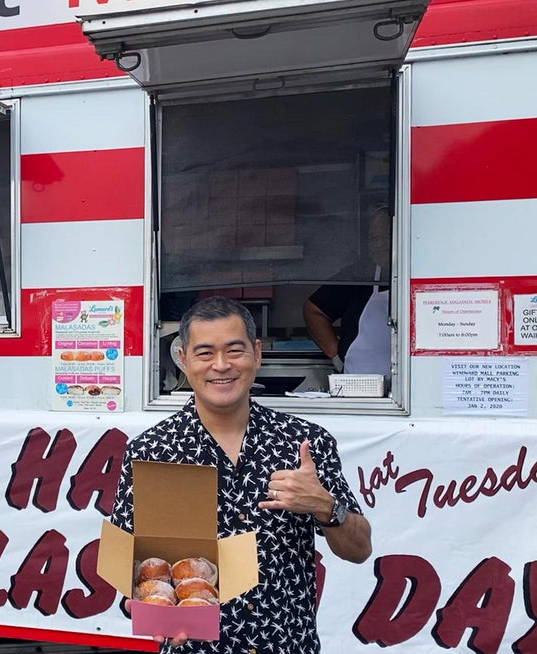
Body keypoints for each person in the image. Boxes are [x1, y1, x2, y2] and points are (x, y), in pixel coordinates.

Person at [111, 296, 371, 653]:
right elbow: (133, 569)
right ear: (183, 360)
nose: (221, 365)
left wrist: (326, 507)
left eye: (235, 350)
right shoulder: (151, 452)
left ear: (257, 353)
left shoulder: (302, 444)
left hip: (287, 645)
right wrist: (145, 607)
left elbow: (359, 549)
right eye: (204, 353)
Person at [303, 206, 392, 377]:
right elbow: (313, 311)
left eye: (386, 237)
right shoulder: (358, 276)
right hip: (358, 384)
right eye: (374, 239)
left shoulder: (417, 275)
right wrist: (338, 357)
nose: (380, 245)